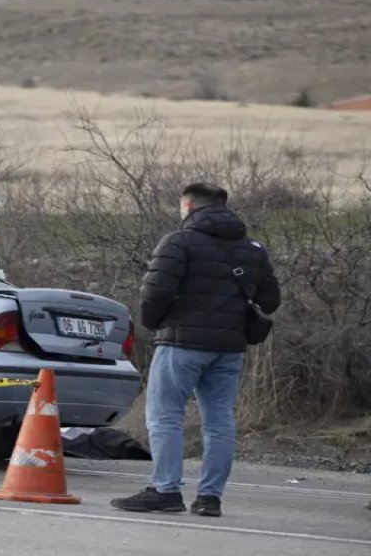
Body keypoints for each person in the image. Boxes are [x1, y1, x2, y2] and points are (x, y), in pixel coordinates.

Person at [111, 183, 280, 517]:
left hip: (181, 344)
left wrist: (154, 323)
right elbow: (270, 299)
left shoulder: (178, 242)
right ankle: (210, 498)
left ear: (188, 206)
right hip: (228, 348)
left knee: (165, 415)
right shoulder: (252, 248)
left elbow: (155, 293)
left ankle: (166, 490)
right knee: (219, 421)